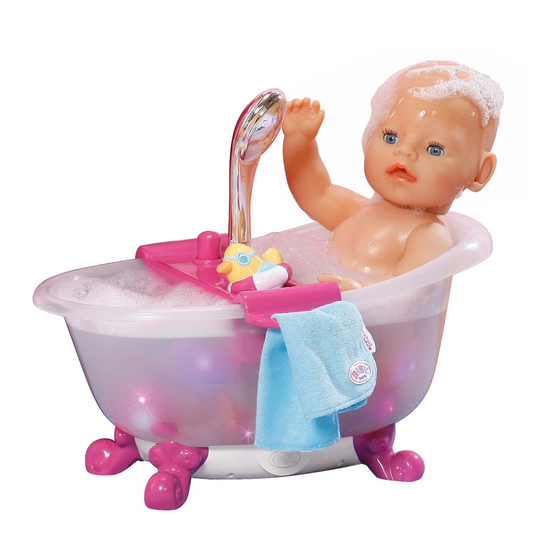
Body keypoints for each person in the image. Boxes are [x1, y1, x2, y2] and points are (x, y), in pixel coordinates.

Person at [282, 61, 503, 290]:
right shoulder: (362, 211)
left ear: (480, 172)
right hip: (319, 301)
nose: (405, 151)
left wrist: (357, 290)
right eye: (391, 137)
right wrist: (299, 140)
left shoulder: (428, 235)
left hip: (364, 313)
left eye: (434, 149)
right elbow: (316, 194)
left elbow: (407, 289)